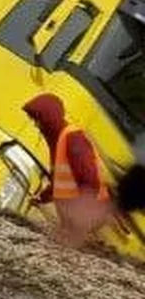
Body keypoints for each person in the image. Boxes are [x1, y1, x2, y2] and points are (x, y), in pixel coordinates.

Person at [23, 92, 121, 245]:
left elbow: (90, 183)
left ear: (49, 118)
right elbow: (61, 179)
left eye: (37, 120)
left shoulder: (74, 139)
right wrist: (43, 197)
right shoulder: (58, 140)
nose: (35, 125)